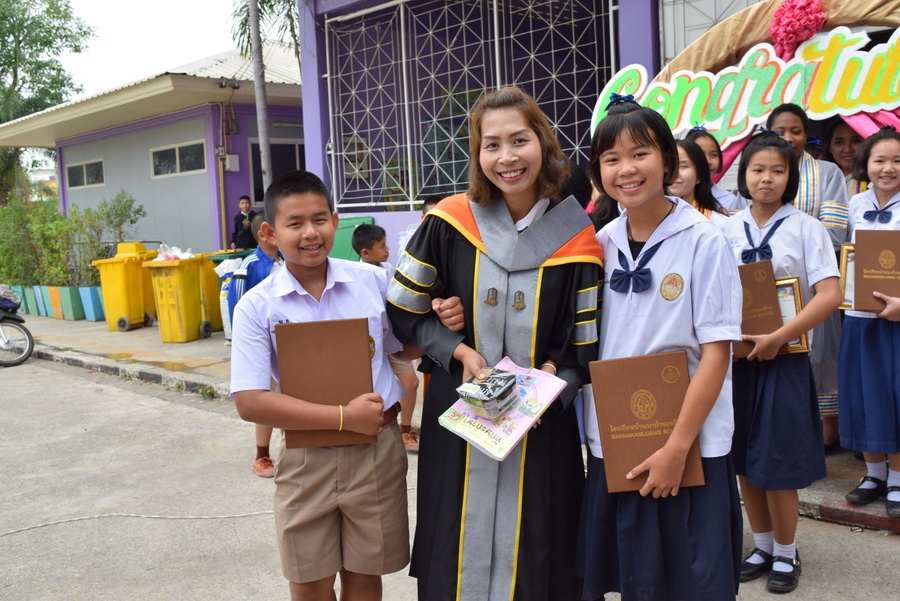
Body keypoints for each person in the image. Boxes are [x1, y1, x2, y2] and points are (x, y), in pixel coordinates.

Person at [386, 86, 603, 601]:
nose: (507, 157)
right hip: (460, 409)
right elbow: (404, 310)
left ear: (543, 143)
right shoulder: (448, 223)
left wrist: (552, 381)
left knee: (539, 546)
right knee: (455, 535)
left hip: (540, 424)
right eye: (492, 145)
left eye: (519, 140)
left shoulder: (578, 240)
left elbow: (584, 348)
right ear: (478, 154)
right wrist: (456, 348)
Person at [578, 96, 743, 601]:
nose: (626, 169)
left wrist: (677, 448)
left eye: (640, 154)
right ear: (598, 172)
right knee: (636, 580)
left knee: (694, 583)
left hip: (690, 445)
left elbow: (717, 353)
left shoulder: (704, 240)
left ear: (667, 161)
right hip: (619, 440)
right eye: (611, 159)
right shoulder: (597, 244)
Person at [230, 170, 413, 601]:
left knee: (365, 576)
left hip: (376, 450)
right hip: (305, 457)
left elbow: (402, 346)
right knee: (308, 582)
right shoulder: (257, 305)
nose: (310, 233)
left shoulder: (374, 281)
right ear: (270, 232)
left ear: (334, 220)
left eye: (319, 220)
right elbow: (250, 401)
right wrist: (345, 417)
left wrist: (444, 320)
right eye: (294, 223)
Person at [722, 131, 842, 593]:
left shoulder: (807, 228)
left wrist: (779, 337)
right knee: (744, 458)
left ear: (790, 176)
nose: (767, 179)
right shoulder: (726, 228)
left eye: (778, 170)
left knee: (777, 461)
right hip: (737, 361)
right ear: (744, 175)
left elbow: (829, 294)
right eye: (758, 169)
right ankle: (763, 546)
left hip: (786, 358)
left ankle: (787, 553)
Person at [768, 103, 850, 450]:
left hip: (816, 283)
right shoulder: (763, 170)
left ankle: (826, 435)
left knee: (822, 355)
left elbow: (834, 233)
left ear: (807, 135)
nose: (788, 138)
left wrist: (787, 242)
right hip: (770, 287)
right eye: (779, 131)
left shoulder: (827, 173)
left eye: (796, 130)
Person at [839, 126, 900, 518]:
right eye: (880, 160)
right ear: (867, 163)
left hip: (897, 319)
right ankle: (874, 474)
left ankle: (897, 478)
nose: (888, 168)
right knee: (864, 393)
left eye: (897, 160)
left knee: (895, 396)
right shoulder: (856, 203)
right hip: (860, 316)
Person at [352, 223, 421, 452]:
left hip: (393, 337)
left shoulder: (389, 268)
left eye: (386, 244)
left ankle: (405, 429)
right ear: (365, 252)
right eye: (381, 246)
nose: (387, 249)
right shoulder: (356, 275)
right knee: (371, 389)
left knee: (410, 382)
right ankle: (373, 427)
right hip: (371, 341)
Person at [226, 212, 283, 478]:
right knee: (265, 397)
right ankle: (262, 455)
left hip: (287, 342)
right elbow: (237, 305)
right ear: (265, 233)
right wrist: (237, 342)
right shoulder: (249, 265)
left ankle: (293, 449)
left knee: (288, 397)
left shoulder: (284, 261)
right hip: (261, 344)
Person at [671, 138, 730, 229]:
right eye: (669, 166)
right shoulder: (649, 220)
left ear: (698, 176)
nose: (673, 173)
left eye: (683, 166)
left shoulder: (719, 224)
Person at [686, 124, 745, 212]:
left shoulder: (729, 200)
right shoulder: (673, 196)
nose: (708, 161)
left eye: (713, 155)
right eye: (700, 154)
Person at [827, 119, 867, 197]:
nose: (847, 149)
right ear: (830, 147)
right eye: (839, 142)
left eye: (855, 141)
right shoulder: (822, 180)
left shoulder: (876, 182)